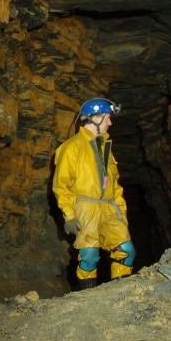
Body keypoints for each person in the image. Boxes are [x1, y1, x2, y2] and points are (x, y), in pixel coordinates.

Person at [52, 98, 136, 289]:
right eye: (107, 118)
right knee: (89, 255)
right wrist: (69, 215)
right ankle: (88, 297)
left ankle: (120, 292)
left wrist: (121, 213)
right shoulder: (71, 147)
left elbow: (114, 185)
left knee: (126, 250)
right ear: (95, 118)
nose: (110, 123)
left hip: (109, 207)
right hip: (86, 207)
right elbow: (61, 185)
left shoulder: (105, 148)